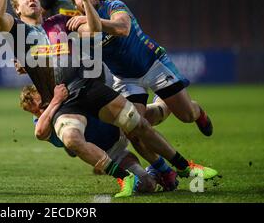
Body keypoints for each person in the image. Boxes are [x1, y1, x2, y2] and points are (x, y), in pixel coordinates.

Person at [0, 0, 217, 197]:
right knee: (71, 140)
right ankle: (125, 178)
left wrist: (85, 9)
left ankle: (185, 168)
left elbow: (97, 29)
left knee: (138, 125)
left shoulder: (59, 22)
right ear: (17, 8)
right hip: (65, 103)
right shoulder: (19, 33)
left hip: (89, 87)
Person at [67, 0, 215, 181]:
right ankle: (162, 169)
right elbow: (90, 32)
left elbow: (122, 29)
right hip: (126, 79)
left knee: (187, 115)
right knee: (134, 129)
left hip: (153, 64)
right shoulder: (79, 27)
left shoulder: (114, 6)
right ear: (74, 3)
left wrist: (89, 17)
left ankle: (197, 111)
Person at [20, 83, 165, 194]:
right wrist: (55, 101)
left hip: (118, 125)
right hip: (113, 153)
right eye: (36, 112)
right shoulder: (43, 122)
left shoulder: (67, 93)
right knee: (146, 185)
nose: (41, 111)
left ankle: (167, 91)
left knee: (160, 111)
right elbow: (39, 132)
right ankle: (152, 171)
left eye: (41, 105)